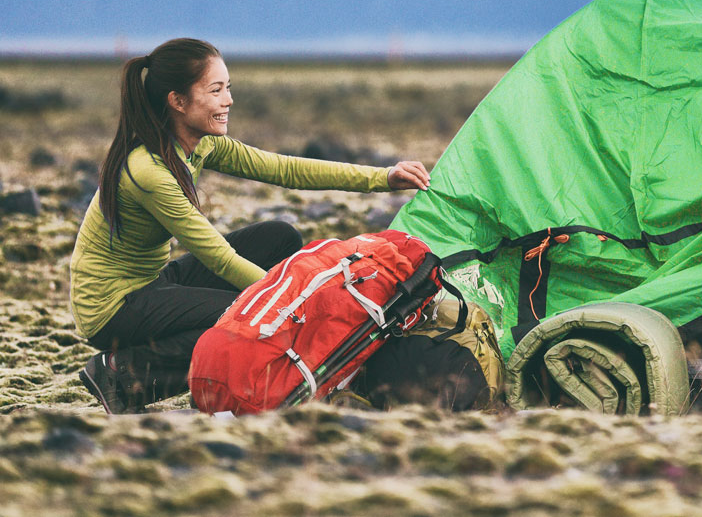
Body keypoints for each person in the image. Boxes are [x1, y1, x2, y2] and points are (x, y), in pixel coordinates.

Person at [71, 38, 432, 414]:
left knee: (281, 237)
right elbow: (220, 258)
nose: (228, 100)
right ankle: (122, 375)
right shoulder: (148, 172)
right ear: (177, 101)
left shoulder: (200, 145)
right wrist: (291, 310)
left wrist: (383, 177)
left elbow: (284, 169)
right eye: (215, 90)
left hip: (151, 284)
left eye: (228, 88)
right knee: (235, 316)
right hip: (112, 307)